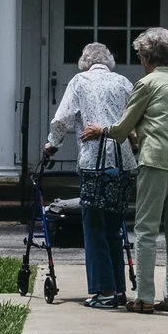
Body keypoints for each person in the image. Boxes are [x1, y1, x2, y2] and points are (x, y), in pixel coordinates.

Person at [84, 26, 168, 312]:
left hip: (157, 162)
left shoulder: (147, 84)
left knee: (146, 230)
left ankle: (144, 296)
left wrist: (101, 129)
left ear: (147, 56)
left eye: (140, 55)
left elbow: (122, 129)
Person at [43, 41, 132, 309]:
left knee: (93, 226)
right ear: (109, 61)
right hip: (124, 162)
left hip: (95, 162)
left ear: (84, 62)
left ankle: (103, 290)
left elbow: (62, 119)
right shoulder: (124, 82)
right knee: (114, 227)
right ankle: (117, 289)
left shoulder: (79, 81)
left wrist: (52, 144)